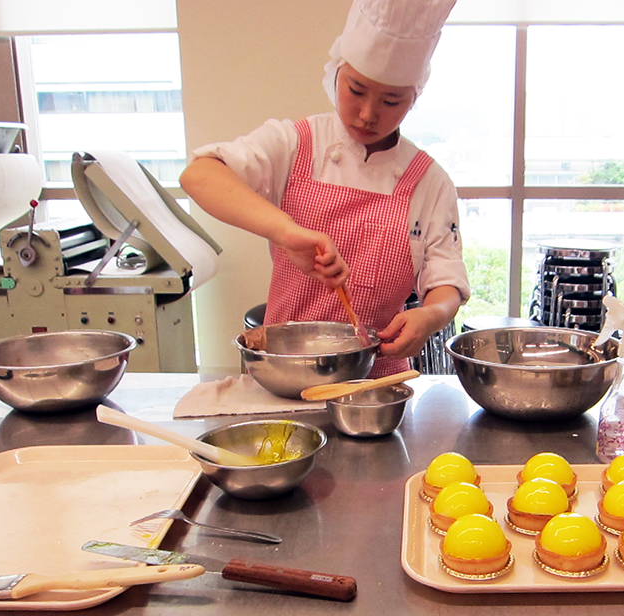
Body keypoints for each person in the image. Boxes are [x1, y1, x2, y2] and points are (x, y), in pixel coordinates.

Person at [180, 0, 469, 377]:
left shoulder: (429, 181)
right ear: (336, 72)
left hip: (378, 382)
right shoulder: (295, 144)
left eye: (391, 100)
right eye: (356, 89)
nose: (368, 113)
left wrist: (430, 316)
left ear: (414, 97)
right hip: (284, 372)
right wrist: (286, 231)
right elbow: (199, 176)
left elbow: (446, 279)